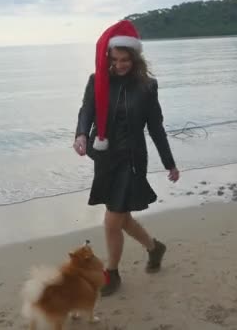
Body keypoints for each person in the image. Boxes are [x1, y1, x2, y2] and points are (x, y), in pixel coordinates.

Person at [73, 19, 180, 296]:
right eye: (115, 59)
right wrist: (82, 134)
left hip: (132, 161)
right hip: (106, 159)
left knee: (111, 221)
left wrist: (169, 162)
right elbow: (87, 110)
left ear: (135, 58)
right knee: (122, 218)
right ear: (108, 56)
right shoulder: (97, 80)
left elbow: (156, 127)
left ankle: (112, 273)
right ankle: (155, 248)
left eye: (125, 60)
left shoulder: (146, 87)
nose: (119, 64)